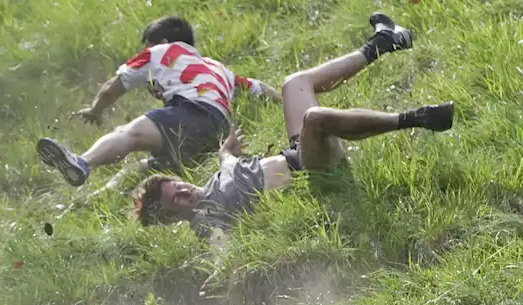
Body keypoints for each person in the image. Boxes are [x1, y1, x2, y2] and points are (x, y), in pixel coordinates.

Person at [133, 12, 453, 245]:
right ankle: (417, 118)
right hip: (314, 176)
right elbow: (221, 247)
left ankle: (384, 41)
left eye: (176, 186)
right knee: (314, 118)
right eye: (174, 200)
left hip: (301, 153)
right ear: (173, 217)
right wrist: (223, 270)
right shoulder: (205, 220)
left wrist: (226, 149)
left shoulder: (215, 181)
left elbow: (226, 160)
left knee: (293, 83)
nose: (183, 192)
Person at [36, 16, 277, 189]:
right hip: (218, 134)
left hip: (190, 112)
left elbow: (113, 87)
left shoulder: (159, 52)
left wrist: (94, 110)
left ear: (160, 41)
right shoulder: (218, 68)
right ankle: (98, 197)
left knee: (128, 134)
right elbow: (261, 88)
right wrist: (284, 97)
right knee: (141, 168)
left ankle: (82, 163)